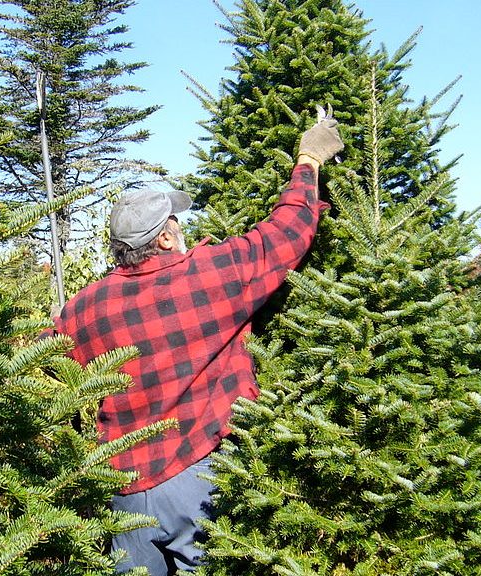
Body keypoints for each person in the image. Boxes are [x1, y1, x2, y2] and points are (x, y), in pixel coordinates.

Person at [49, 112, 344, 575]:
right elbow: (286, 233)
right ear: (166, 237)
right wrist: (308, 159)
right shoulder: (209, 275)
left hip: (120, 487)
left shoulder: (85, 307)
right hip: (195, 473)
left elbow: (37, 361)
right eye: (175, 222)